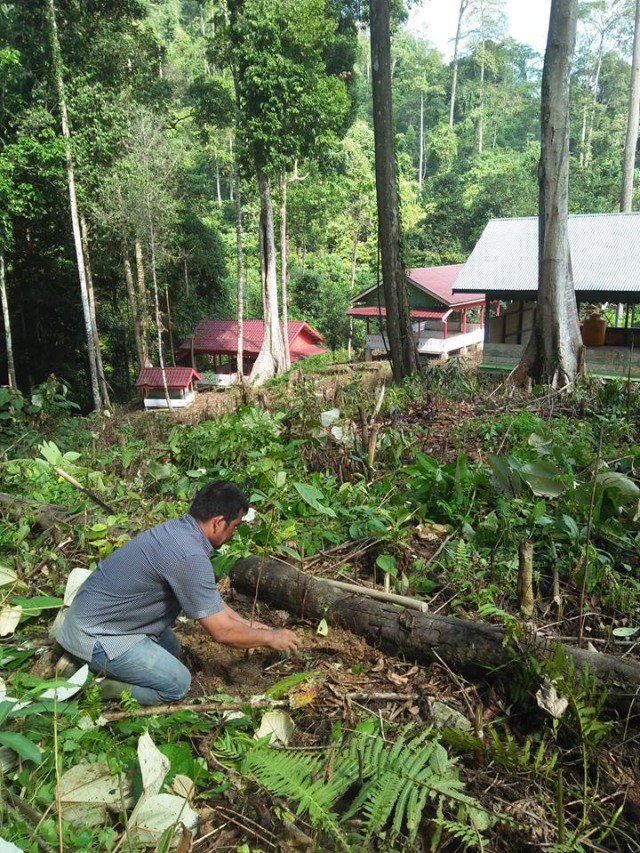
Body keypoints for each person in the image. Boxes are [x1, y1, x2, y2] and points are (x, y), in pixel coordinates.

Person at [55, 480, 300, 705]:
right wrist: (270, 638)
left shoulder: (179, 532)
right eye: (234, 526)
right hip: (95, 635)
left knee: (171, 647)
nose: (233, 533)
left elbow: (208, 600)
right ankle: (94, 685)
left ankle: (82, 661)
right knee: (176, 684)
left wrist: (252, 627)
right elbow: (222, 632)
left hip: (94, 618)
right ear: (218, 522)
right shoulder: (189, 555)